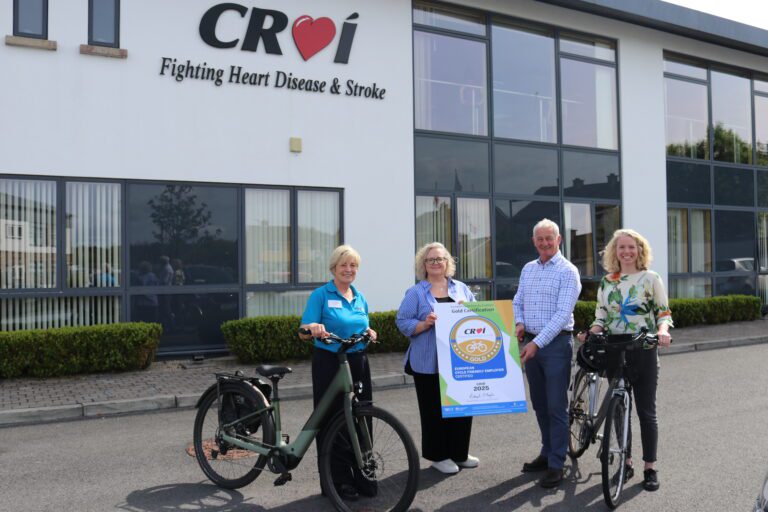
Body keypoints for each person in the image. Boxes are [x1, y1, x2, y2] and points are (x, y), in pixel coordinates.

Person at [578, 228, 672, 492]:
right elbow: (601, 317)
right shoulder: (608, 282)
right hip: (615, 347)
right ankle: (625, 461)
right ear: (614, 251)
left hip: (644, 345)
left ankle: (650, 467)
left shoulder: (650, 278)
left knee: (646, 411)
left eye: (632, 247)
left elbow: (663, 313)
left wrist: (663, 331)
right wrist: (591, 332)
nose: (627, 252)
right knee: (619, 406)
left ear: (640, 250)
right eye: (622, 247)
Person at [298, 245, 378, 500]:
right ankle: (339, 481)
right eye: (344, 265)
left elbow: (362, 323)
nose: (349, 270)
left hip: (357, 361)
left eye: (353, 265)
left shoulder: (359, 296)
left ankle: (365, 476)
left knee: (362, 418)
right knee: (333, 421)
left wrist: (371, 332)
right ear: (333, 268)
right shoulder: (321, 295)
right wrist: (313, 327)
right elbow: (302, 330)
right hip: (330, 361)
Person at [396, 242, 478, 475]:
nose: (436, 263)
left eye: (440, 259)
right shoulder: (416, 293)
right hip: (428, 361)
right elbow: (402, 321)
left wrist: (468, 310)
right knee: (433, 410)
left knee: (461, 407)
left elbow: (478, 316)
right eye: (431, 260)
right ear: (424, 265)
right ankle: (438, 456)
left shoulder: (461, 288)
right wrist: (424, 324)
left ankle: (459, 453)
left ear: (447, 263)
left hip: (459, 359)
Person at [513, 219, 581, 488]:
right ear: (534, 242)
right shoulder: (528, 268)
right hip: (531, 343)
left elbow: (563, 315)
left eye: (549, 238)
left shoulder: (568, 271)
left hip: (554, 346)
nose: (544, 243)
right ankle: (547, 451)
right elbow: (518, 301)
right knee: (540, 404)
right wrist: (519, 323)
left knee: (556, 406)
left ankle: (556, 463)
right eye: (539, 239)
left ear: (559, 239)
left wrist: (536, 344)